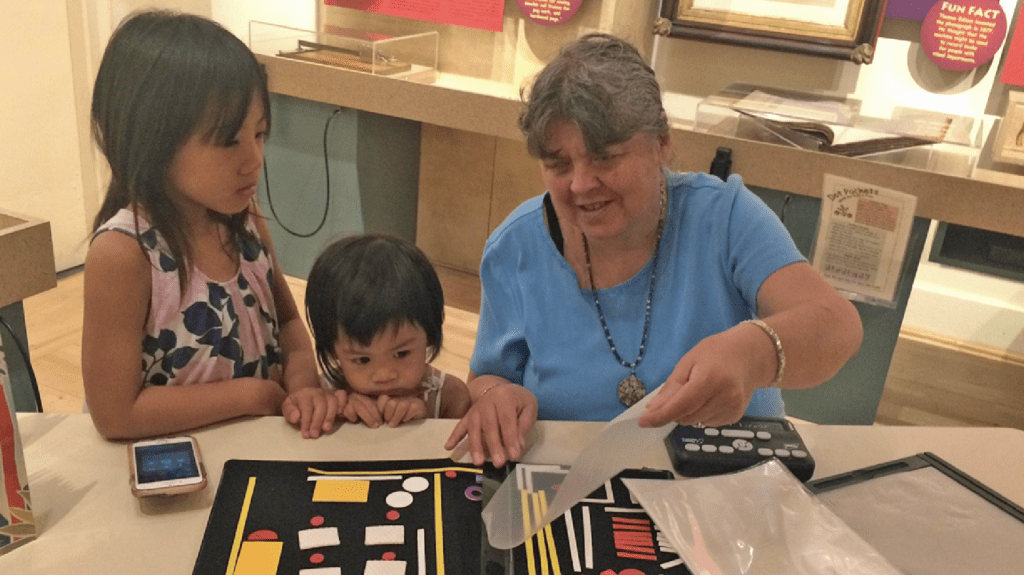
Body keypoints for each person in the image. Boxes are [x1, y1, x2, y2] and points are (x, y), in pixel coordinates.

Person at [445, 33, 863, 466]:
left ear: (662, 141)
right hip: (572, 483)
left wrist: (755, 352)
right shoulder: (515, 247)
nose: (581, 184)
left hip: (726, 481)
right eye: (559, 164)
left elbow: (838, 326)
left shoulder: (724, 217)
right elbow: (489, 374)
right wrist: (495, 395)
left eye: (605, 158)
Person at [83, 10, 338, 440]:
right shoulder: (124, 254)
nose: (254, 160)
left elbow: (289, 322)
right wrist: (252, 397)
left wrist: (304, 385)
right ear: (152, 140)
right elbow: (116, 414)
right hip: (180, 471)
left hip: (263, 449)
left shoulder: (246, 221)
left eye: (260, 135)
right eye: (228, 141)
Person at [305, 235, 471, 427]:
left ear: (430, 332)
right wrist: (335, 419)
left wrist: (424, 425)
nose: (384, 375)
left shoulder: (449, 398)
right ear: (333, 350)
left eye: (401, 353)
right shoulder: (324, 395)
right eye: (362, 359)